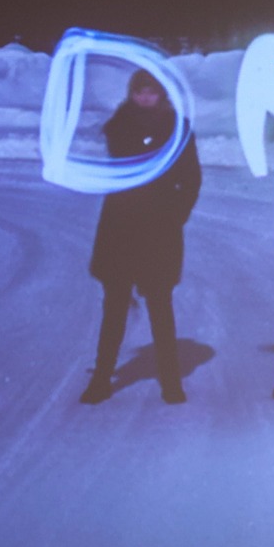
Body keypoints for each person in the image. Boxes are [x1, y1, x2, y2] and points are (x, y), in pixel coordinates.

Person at [81, 69, 202, 405]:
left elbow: (191, 178)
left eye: (151, 92)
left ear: (161, 94)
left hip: (159, 229)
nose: (145, 97)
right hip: (121, 228)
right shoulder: (120, 125)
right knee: (115, 307)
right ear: (132, 94)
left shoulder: (178, 129)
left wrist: (176, 214)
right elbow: (124, 162)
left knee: (160, 306)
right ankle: (102, 378)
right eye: (140, 91)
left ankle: (171, 380)